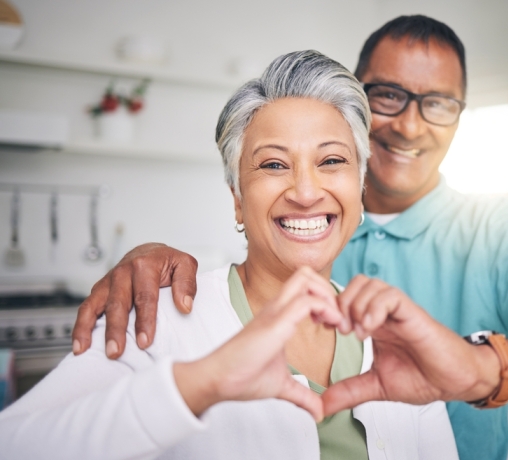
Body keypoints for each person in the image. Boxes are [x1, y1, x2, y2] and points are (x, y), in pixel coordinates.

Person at [71, 15, 508, 460]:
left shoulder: (495, 230)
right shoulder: (285, 238)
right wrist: (150, 258)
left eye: (438, 103)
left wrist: (467, 368)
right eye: (389, 96)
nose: (411, 123)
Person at [0, 50, 460, 460]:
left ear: (359, 189)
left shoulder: (396, 342)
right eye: (274, 164)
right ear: (238, 198)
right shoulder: (157, 319)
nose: (304, 191)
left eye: (331, 161)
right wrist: (201, 383)